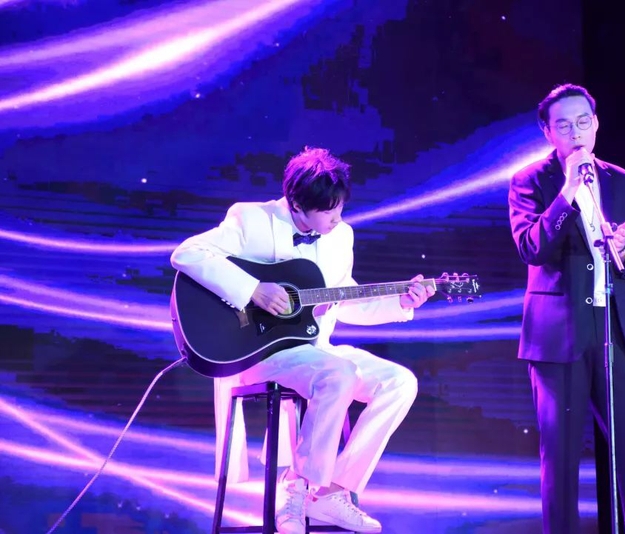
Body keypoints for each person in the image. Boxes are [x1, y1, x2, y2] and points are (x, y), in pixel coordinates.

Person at [171, 146, 434, 534]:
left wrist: (401, 302)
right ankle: (295, 489)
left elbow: (343, 300)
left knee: (400, 382)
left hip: (315, 350)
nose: (336, 219)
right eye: (328, 211)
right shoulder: (252, 218)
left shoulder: (341, 236)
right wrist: (253, 289)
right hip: (259, 351)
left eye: (340, 208)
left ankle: (331, 491)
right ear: (296, 203)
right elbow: (187, 253)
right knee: (338, 374)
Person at [508, 84, 625, 533]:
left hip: (614, 330)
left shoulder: (619, 180)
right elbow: (532, 248)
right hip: (557, 337)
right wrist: (566, 193)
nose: (575, 132)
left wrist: (623, 249)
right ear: (548, 132)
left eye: (583, 122)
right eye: (563, 125)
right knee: (561, 462)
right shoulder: (530, 181)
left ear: (595, 124)